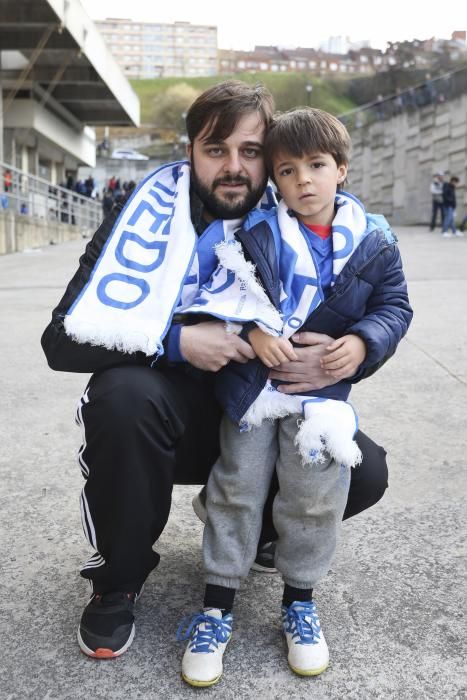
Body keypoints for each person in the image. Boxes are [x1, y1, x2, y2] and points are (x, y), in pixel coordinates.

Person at [41, 81, 390, 661]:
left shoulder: (297, 222)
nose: (234, 167)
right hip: (166, 421)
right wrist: (175, 341)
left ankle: (255, 531)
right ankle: (117, 581)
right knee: (122, 396)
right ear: (189, 152)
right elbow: (62, 341)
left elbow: (376, 302)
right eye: (215, 149)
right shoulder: (138, 219)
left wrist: (358, 343)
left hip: (257, 417)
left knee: (365, 468)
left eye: (250, 151)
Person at [176, 107, 412, 686]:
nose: (302, 180)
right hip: (256, 389)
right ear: (273, 181)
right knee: (238, 485)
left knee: (314, 492)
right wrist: (251, 332)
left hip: (321, 398)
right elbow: (213, 291)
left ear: (343, 169)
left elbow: (394, 307)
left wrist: (361, 342)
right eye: (286, 170)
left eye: (316, 165)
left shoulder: (375, 241)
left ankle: (299, 601)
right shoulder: (251, 231)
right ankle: (217, 606)